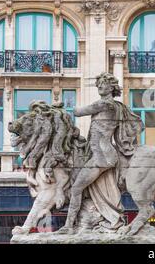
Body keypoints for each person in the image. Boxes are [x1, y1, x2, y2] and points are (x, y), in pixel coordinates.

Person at [57, 72, 144, 234]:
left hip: (101, 156)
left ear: (111, 87)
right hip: (101, 154)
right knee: (83, 184)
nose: (99, 86)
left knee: (76, 188)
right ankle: (95, 219)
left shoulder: (106, 104)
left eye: (103, 83)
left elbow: (79, 111)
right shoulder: (116, 106)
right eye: (98, 84)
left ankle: (69, 226)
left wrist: (62, 106)